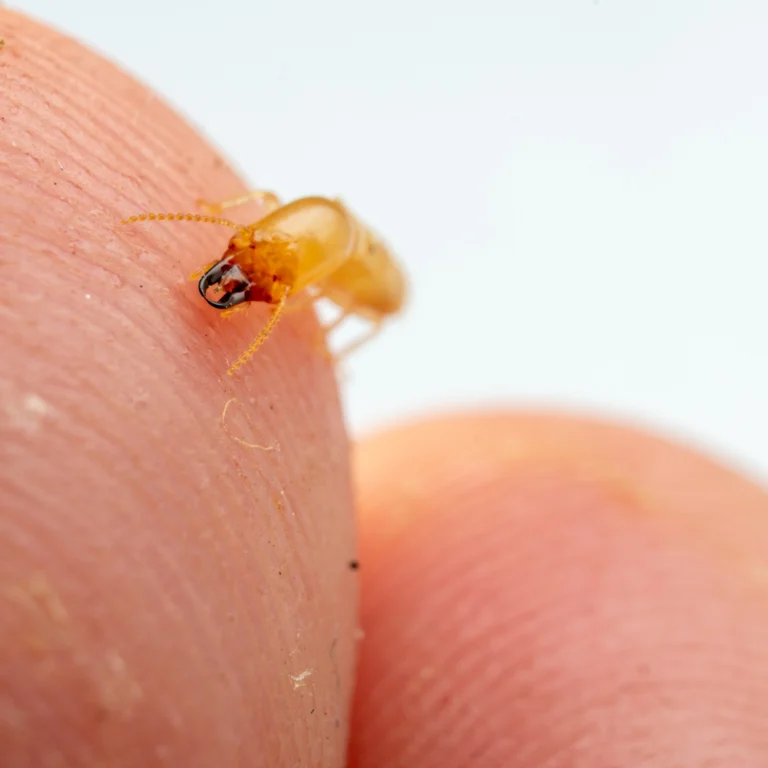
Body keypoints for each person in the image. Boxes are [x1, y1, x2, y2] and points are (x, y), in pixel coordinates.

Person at [2, 10, 767, 767]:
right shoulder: (290, 226)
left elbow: (357, 297)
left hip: (370, 282)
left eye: (261, 273)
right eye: (248, 253)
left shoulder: (330, 269)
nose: (241, 274)